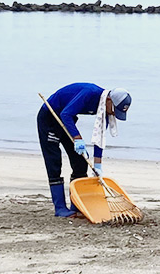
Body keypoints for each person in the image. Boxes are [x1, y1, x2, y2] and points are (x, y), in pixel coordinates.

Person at [37, 82, 131, 217]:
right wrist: (78, 139)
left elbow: (100, 136)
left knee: (80, 162)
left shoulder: (105, 107)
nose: (113, 114)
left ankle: (76, 205)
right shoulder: (89, 93)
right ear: (110, 100)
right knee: (54, 162)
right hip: (50, 117)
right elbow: (66, 114)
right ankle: (60, 208)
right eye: (115, 110)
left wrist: (98, 165)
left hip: (67, 121)